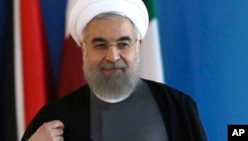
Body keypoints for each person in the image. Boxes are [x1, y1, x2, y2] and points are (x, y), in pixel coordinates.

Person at [21, 0, 207, 141]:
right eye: (100, 45)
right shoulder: (54, 118)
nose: (112, 56)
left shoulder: (178, 108)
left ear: (137, 46)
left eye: (123, 44)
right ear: (84, 49)